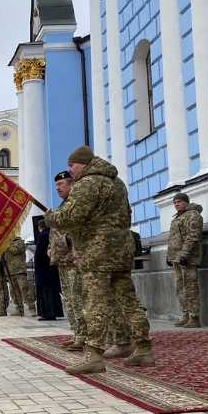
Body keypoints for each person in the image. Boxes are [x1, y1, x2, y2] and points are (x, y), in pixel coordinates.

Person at [45, 145, 154, 374]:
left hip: (97, 251)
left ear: (83, 163)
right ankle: (143, 348)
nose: (70, 170)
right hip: (121, 248)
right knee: (128, 300)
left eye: (72, 165)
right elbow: (127, 214)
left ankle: (94, 354)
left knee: (94, 301)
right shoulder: (117, 182)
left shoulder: (88, 183)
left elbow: (72, 217)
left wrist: (50, 218)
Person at [49, 171, 85, 351]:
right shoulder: (62, 207)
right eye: (56, 186)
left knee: (78, 299)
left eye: (61, 184)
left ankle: (84, 336)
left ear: (71, 185)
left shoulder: (76, 206)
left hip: (74, 261)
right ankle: (77, 333)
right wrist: (51, 248)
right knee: (69, 301)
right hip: (62, 261)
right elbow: (55, 232)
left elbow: (75, 233)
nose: (57, 188)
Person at [167, 192, 204, 328]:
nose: (176, 204)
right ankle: (186, 314)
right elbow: (174, 239)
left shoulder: (193, 215)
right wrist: (169, 257)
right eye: (175, 202)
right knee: (180, 288)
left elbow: (192, 236)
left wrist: (184, 254)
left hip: (188, 259)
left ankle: (194, 317)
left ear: (186, 202)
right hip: (177, 259)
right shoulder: (178, 217)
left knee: (190, 288)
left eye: (179, 202)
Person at [34, 220, 63, 321]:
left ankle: (48, 313)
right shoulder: (50, 234)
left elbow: (40, 254)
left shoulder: (43, 235)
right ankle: (54, 312)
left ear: (39, 227)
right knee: (52, 291)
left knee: (46, 292)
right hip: (50, 268)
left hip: (43, 269)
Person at [5, 237, 37, 317]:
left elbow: (15, 250)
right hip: (10, 271)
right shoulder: (6, 243)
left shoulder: (19, 242)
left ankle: (32, 308)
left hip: (20, 270)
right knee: (14, 292)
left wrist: (6, 244)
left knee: (24, 289)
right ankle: (19, 309)